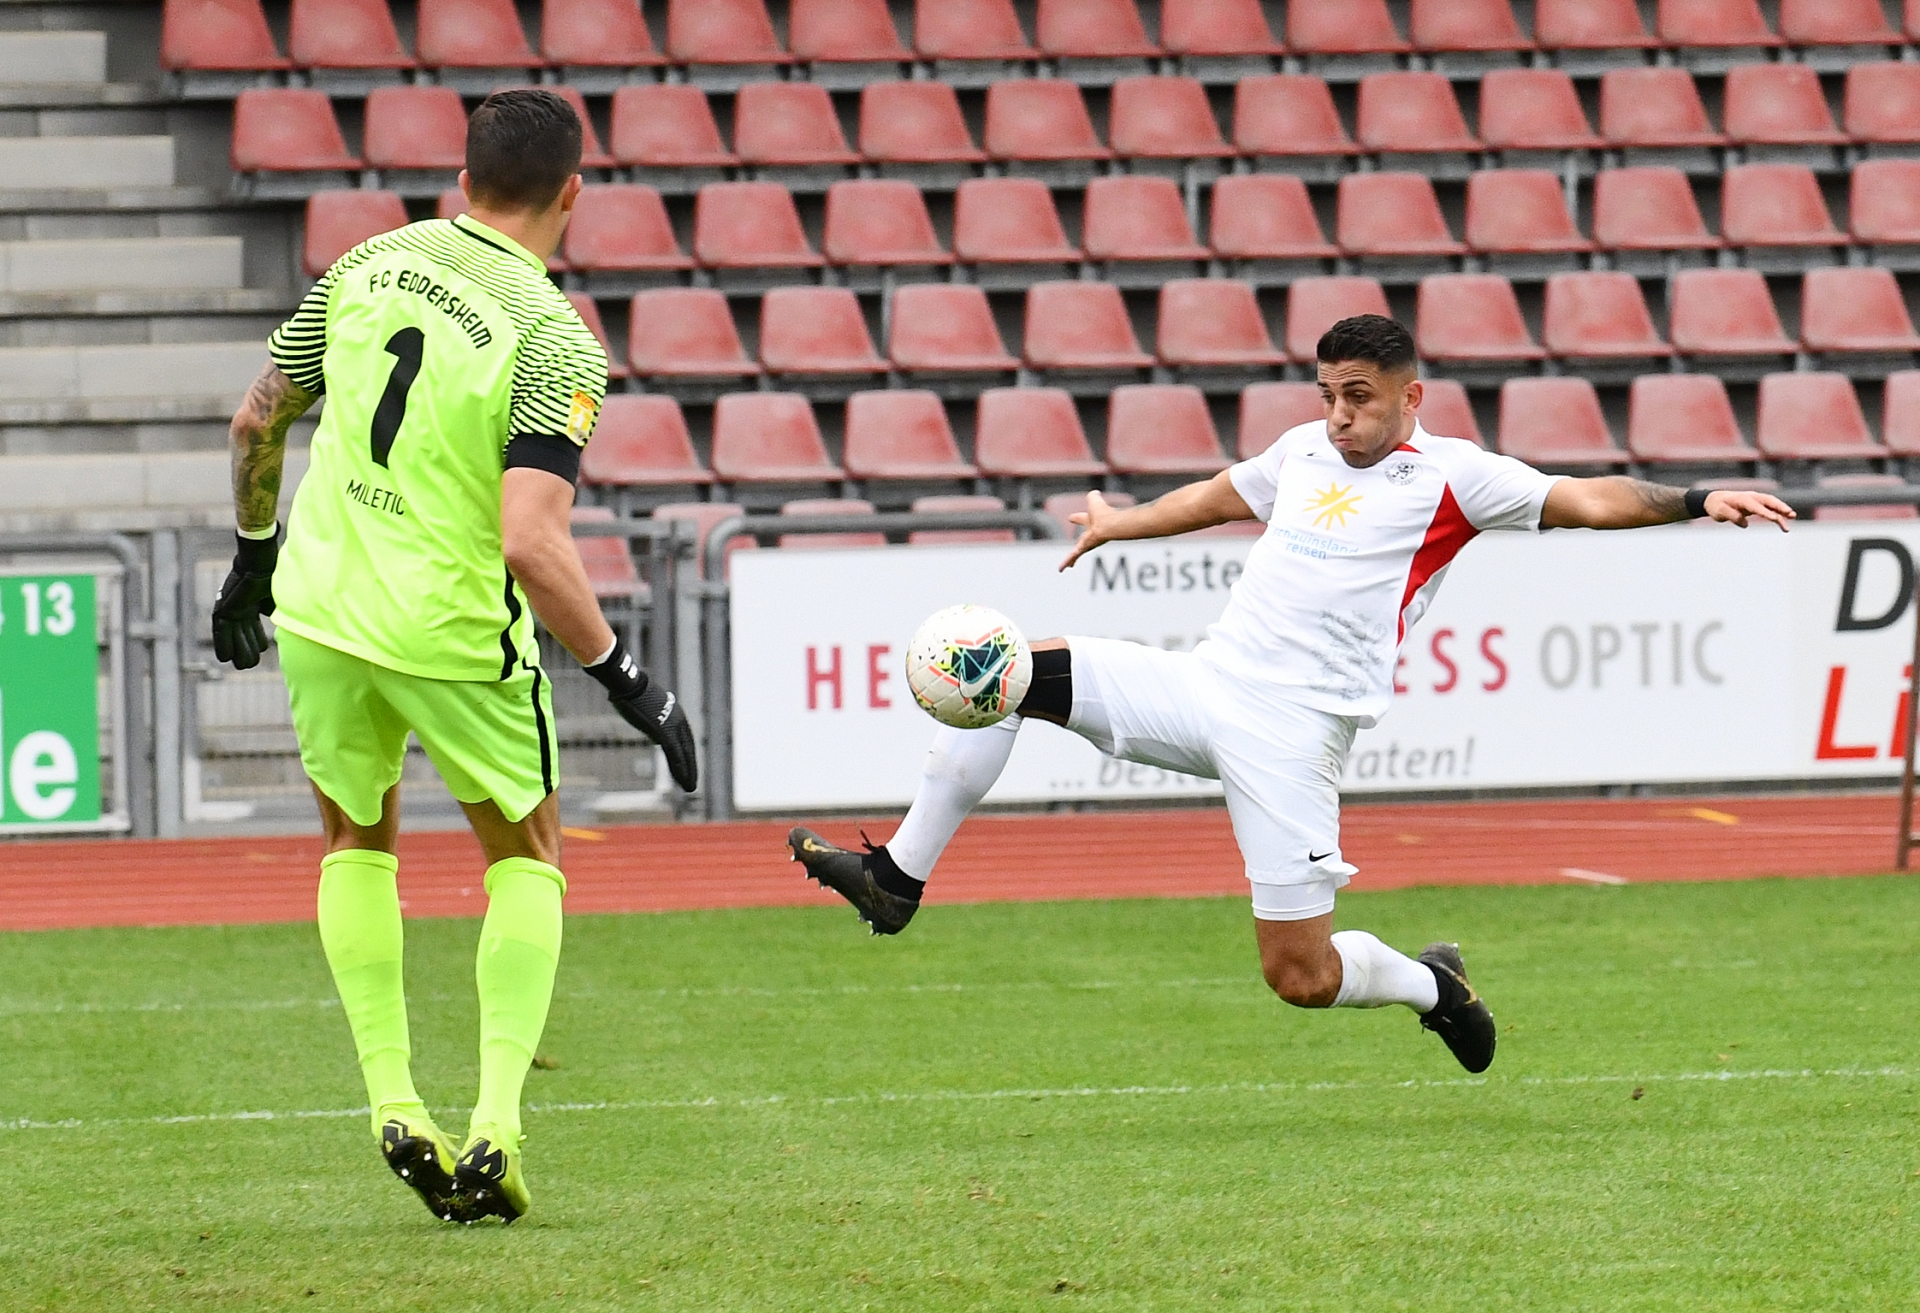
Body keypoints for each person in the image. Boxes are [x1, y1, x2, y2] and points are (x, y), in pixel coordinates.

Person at [791, 315, 1793, 1074]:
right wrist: (1120, 520)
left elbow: (1587, 498)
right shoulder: (1303, 452)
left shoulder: (1454, 476)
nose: (1339, 413)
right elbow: (1222, 496)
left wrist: (1696, 497)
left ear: (1411, 397)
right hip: (1205, 684)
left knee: (1300, 978)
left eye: (1358, 394)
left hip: (1294, 737)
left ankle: (1429, 983)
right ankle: (898, 879)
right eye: (1326, 393)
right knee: (999, 668)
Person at [210, 89, 697, 1224]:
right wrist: (629, 676)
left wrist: (251, 558)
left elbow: (254, 421)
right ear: (573, 192)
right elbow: (530, 537)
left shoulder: (368, 261)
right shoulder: (553, 334)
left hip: (322, 608)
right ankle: (494, 1127)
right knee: (526, 851)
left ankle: (391, 1097)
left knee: (353, 836)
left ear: (462, 174)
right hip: (446, 624)